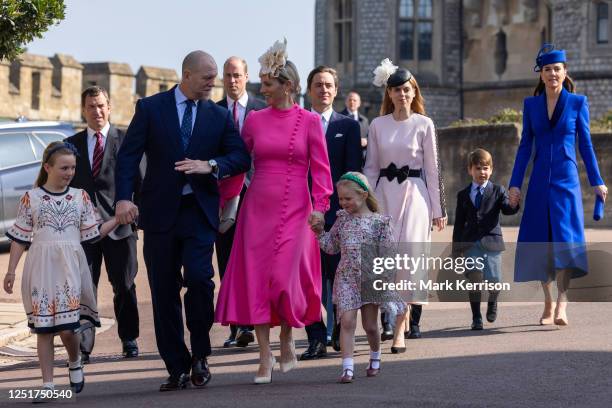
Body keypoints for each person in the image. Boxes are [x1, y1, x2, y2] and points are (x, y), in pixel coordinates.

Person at [114, 50, 251, 392]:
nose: (213, 83)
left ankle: (201, 354)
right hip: (159, 213)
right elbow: (128, 155)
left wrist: (212, 165)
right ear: (186, 75)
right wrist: (123, 197)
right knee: (163, 291)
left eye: (214, 78)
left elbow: (240, 156)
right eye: (207, 77)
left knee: (202, 281)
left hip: (199, 213)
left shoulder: (217, 116)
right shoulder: (150, 108)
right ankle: (176, 365)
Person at [214, 39, 333, 384]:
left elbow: (322, 172)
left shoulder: (310, 121)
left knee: (284, 279)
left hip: (297, 209)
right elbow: (238, 166)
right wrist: (224, 204)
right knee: (257, 282)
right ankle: (265, 354)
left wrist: (321, 209)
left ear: (288, 86)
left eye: (267, 84)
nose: (260, 89)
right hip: (257, 209)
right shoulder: (253, 121)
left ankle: (286, 339)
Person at [3, 142, 117, 401]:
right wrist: (10, 271)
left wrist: (117, 221)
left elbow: (93, 234)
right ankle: (48, 385)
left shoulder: (80, 197)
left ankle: (75, 360)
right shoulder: (30, 198)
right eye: (64, 167)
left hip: (70, 268)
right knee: (44, 328)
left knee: (67, 329)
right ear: (47, 167)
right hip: (41, 267)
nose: (69, 172)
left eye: (73, 168)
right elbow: (20, 238)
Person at [508, 44, 607, 326]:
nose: (553, 74)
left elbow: (585, 145)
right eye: (548, 69)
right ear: (541, 75)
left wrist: (597, 180)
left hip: (567, 180)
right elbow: (525, 146)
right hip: (539, 181)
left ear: (565, 73)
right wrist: (515, 185)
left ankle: (563, 302)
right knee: (541, 241)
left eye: (557, 69)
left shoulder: (578, 103)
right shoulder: (531, 105)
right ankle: (548, 301)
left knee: (566, 240)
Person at [363, 58, 446, 353]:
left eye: (407, 89)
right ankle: (391, 316)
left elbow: (433, 169)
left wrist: (438, 210)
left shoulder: (424, 124)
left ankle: (401, 329)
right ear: (389, 93)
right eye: (397, 89)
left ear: (414, 92)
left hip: (415, 195)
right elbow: (371, 168)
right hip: (384, 195)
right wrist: (365, 206)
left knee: (409, 262)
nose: (402, 94)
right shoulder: (377, 125)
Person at [65, 86, 140, 363]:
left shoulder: (126, 142)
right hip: (81, 232)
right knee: (85, 288)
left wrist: (134, 215)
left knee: (125, 285)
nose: (96, 112)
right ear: (83, 110)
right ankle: (84, 347)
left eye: (101, 106)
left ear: (109, 107)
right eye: (90, 107)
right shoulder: (70, 144)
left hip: (120, 228)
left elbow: (141, 184)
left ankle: (129, 339)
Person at [300, 66, 362, 361]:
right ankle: (315, 338)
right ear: (308, 90)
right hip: (304, 214)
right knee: (308, 279)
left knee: (339, 274)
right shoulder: (297, 122)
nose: (323, 90)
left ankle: (340, 326)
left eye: (328, 85)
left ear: (336, 90)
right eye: (318, 85)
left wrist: (346, 210)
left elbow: (352, 171)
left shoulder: (348, 127)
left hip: (338, 215)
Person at [311, 172, 392, 383]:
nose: (343, 203)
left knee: (370, 326)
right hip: (346, 277)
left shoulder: (379, 222)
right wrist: (319, 233)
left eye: (348, 198)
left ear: (363, 195)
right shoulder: (342, 220)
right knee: (346, 322)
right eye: (341, 199)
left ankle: (375, 357)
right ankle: (347, 368)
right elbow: (331, 246)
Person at [216, 56, 266, 348]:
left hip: (258, 192)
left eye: (237, 75)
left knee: (256, 259)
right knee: (227, 259)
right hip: (225, 196)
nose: (232, 80)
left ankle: (254, 320)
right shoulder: (213, 111)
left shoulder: (262, 108)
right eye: (227, 75)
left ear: (247, 77)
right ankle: (236, 325)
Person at [452, 149, 519, 330]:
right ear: (470, 170)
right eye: (478, 168)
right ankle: (476, 317)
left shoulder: (498, 190)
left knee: (494, 280)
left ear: (491, 170)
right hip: (471, 243)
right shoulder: (463, 195)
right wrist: (456, 249)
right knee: (474, 278)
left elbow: (507, 209)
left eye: (486, 168)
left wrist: (514, 203)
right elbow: (459, 224)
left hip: (492, 243)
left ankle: (493, 300)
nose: (482, 172)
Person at [341, 91, 369, 162]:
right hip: (342, 158)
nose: (352, 102)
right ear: (346, 102)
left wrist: (366, 141)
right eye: (350, 100)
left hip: (360, 159)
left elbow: (369, 137)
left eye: (354, 100)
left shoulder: (365, 120)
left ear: (359, 103)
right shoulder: (338, 118)